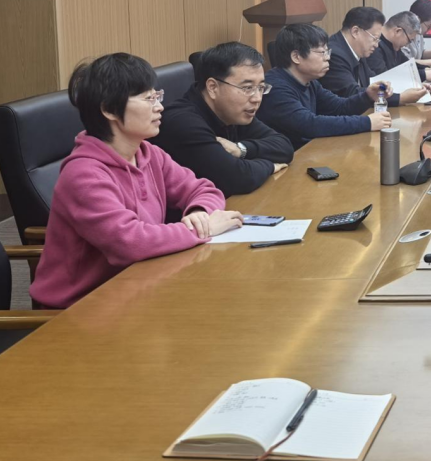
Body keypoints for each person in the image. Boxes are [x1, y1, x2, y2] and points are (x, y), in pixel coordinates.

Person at [30, 53, 241, 309]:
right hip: (80, 307)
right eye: (148, 99)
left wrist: (199, 213)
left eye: (157, 96)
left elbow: (204, 189)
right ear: (109, 109)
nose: (159, 107)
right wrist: (200, 230)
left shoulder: (148, 153)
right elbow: (129, 242)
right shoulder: (84, 174)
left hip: (138, 285)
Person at [152, 41, 294, 196]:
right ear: (213, 87)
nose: (257, 98)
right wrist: (271, 166)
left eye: (260, 88)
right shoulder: (182, 122)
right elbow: (238, 178)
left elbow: (285, 147)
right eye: (247, 88)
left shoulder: (233, 112)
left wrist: (241, 150)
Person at [257, 22, 393, 150]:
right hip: (288, 158)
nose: (327, 57)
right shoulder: (275, 87)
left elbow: (339, 107)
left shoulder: (310, 81)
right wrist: (367, 122)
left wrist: (367, 96)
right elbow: (309, 125)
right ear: (296, 57)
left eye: (327, 52)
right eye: (322, 52)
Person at [323, 6, 428, 104]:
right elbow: (353, 93)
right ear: (355, 32)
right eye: (375, 38)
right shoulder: (335, 55)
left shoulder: (358, 50)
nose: (377, 45)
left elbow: (374, 81)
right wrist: (401, 98)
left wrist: (410, 86)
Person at [369, 11, 431, 83]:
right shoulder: (373, 46)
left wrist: (427, 69)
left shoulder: (393, 44)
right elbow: (384, 77)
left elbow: (408, 65)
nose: (407, 44)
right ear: (398, 31)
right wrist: (424, 75)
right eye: (409, 40)